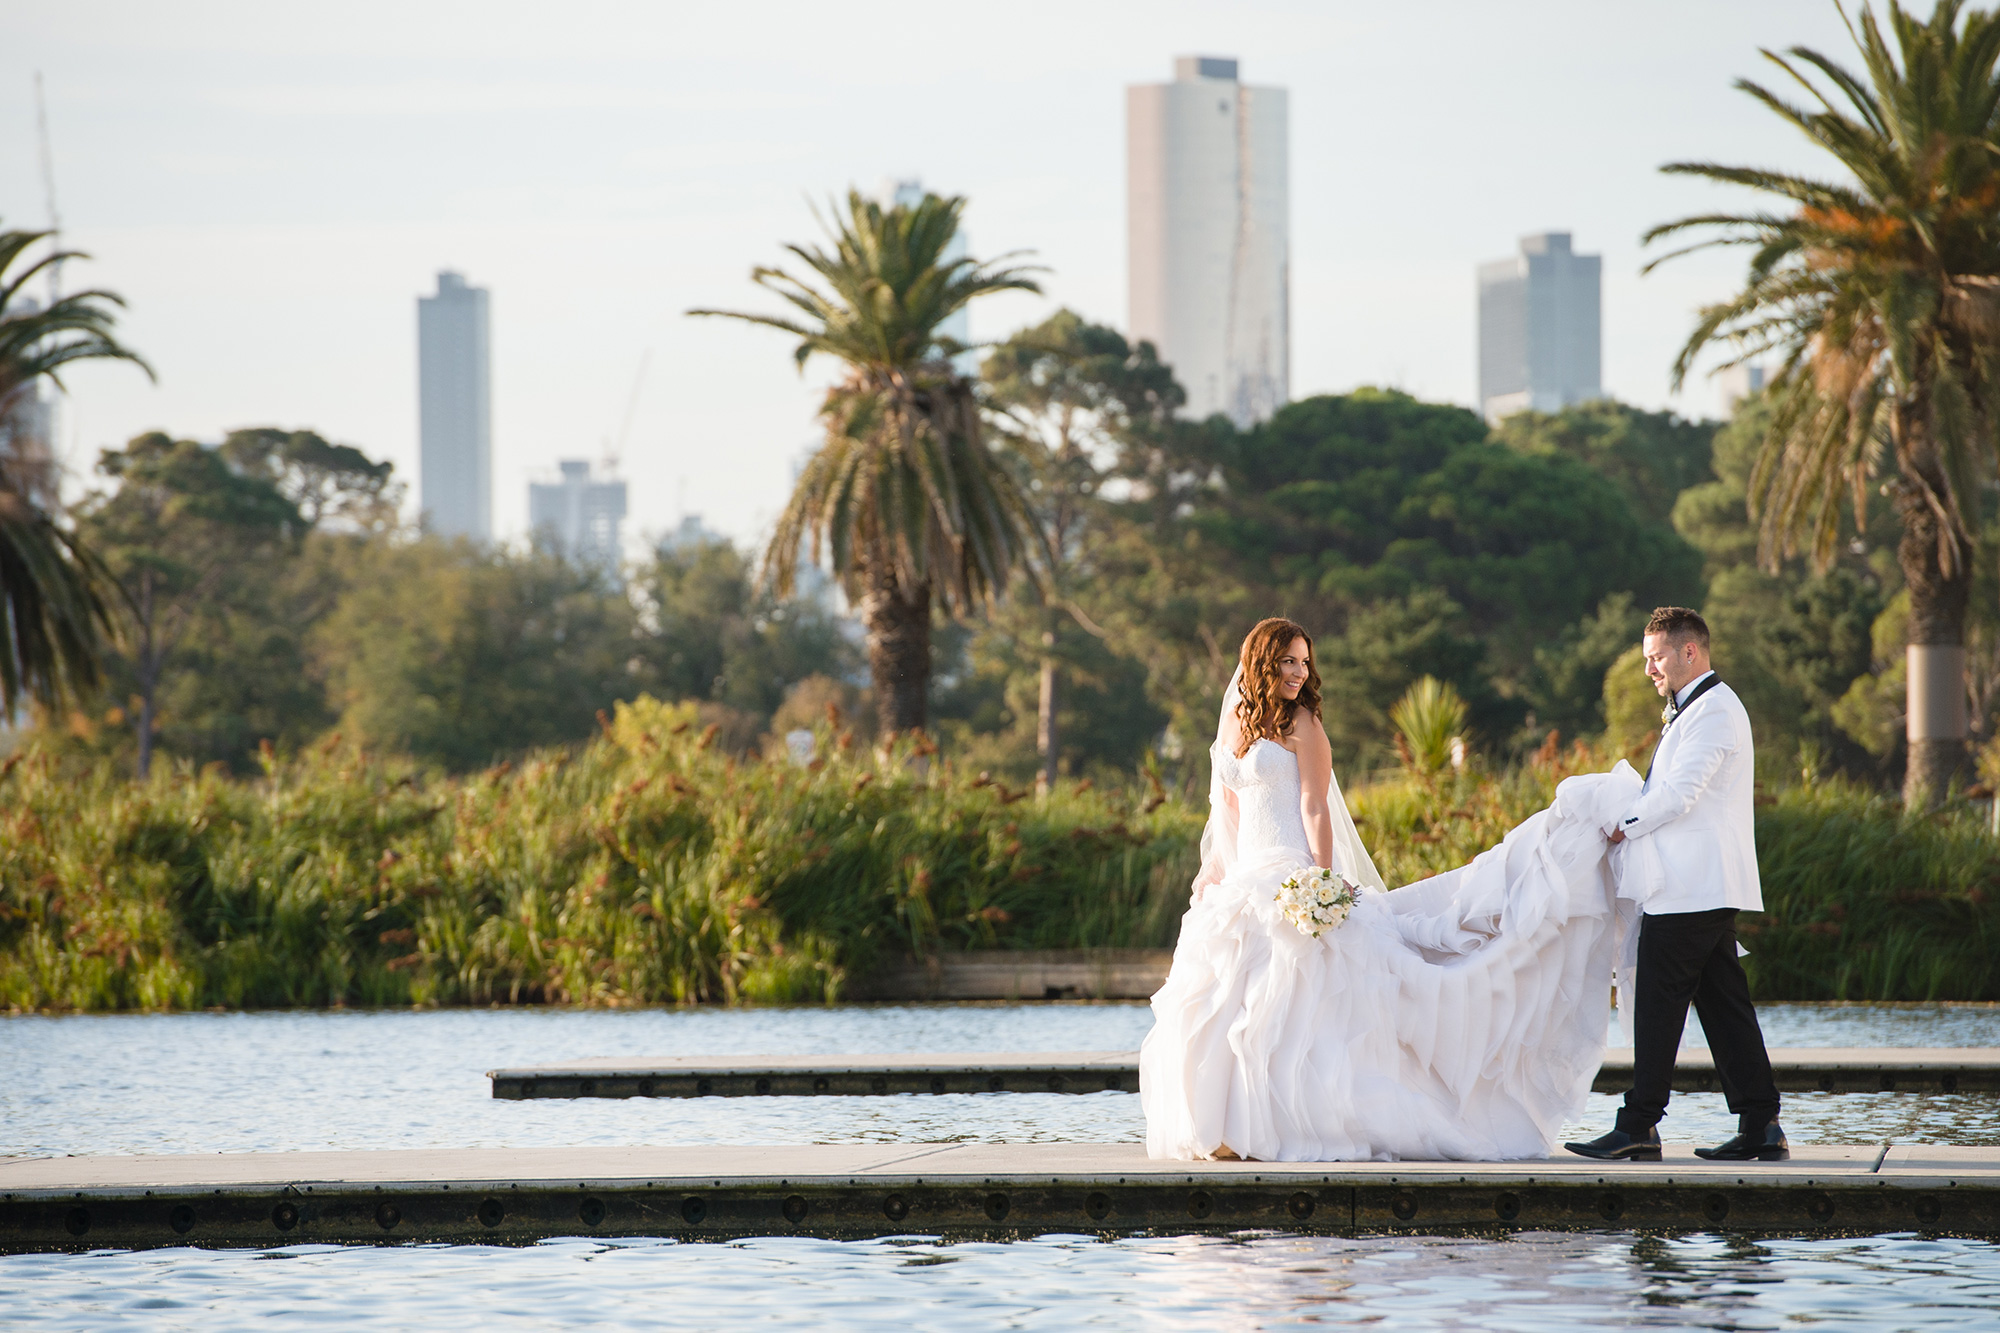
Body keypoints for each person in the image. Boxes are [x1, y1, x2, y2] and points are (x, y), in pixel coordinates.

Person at [1140, 617, 1645, 1162]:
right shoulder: (1236, 724)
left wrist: (1322, 880)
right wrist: (1217, 871)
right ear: (1263, 661)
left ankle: (1302, 1125)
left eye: (1305, 662)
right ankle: (1230, 1129)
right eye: (1289, 661)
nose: (1299, 672)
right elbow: (1229, 811)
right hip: (1246, 880)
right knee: (1231, 1006)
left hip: (1294, 873)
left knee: (1299, 1007)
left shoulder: (1303, 724)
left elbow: (1314, 806)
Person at [1564, 606, 1785, 1163]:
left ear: (1691, 652)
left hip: (1691, 888)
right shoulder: (1697, 709)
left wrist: (1624, 826)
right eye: (1646, 659)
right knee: (1725, 1006)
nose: (1649, 670)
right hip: (1697, 886)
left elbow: (1680, 794)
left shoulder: (1714, 711)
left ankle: (1639, 1124)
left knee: (1658, 1005)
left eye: (1656, 657)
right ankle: (1761, 1125)